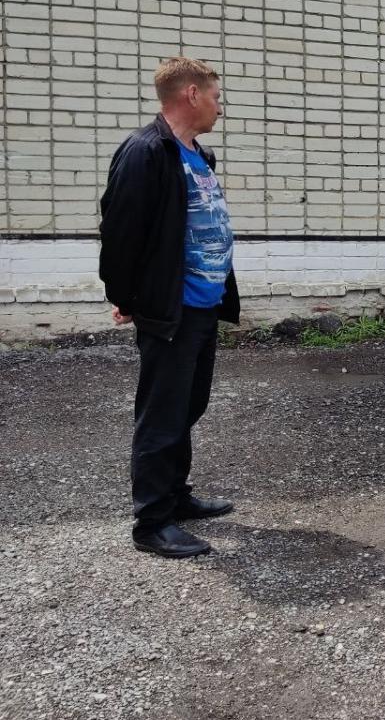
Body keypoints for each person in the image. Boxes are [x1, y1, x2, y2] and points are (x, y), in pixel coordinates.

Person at [99, 56, 239, 559]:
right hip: (171, 308)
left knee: (189, 404)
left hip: (203, 306)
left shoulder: (197, 154)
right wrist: (128, 297)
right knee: (161, 413)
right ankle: (151, 522)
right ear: (192, 95)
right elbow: (119, 230)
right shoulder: (146, 152)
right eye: (217, 97)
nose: (220, 107)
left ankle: (176, 496)